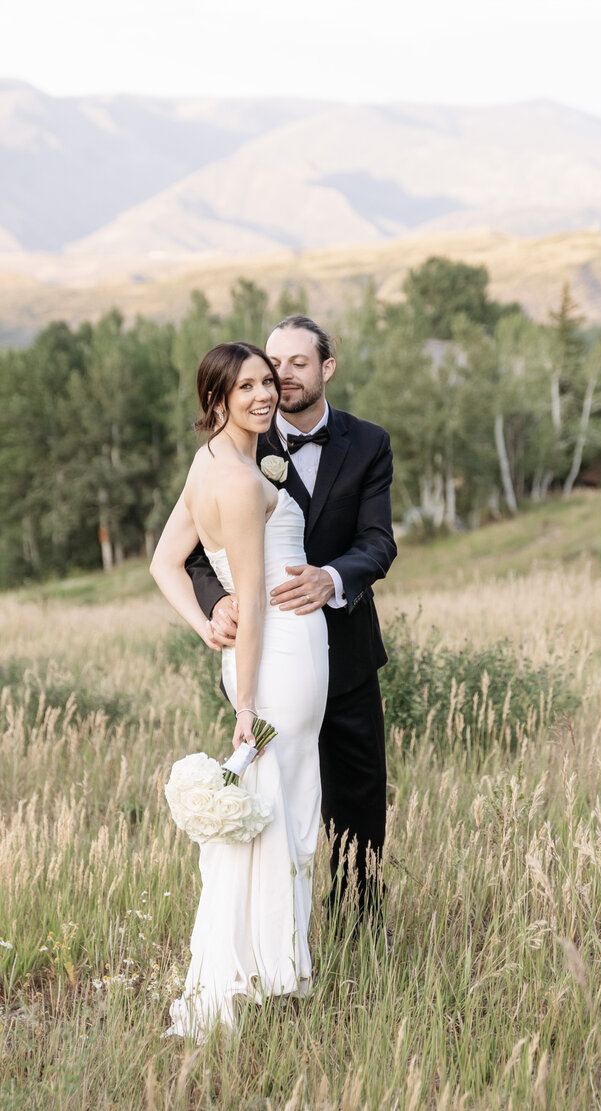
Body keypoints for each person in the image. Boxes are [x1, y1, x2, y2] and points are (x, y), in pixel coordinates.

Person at [187, 315, 396, 924]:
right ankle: (276, 927)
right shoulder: (240, 438)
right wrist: (216, 602)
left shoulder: (369, 442)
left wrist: (332, 578)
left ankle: (356, 928)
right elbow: (195, 552)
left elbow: (378, 542)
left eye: (298, 364)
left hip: (346, 648)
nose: (281, 377)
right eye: (272, 365)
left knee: (358, 799)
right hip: (271, 651)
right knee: (273, 792)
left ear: (326, 368)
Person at [150, 341, 328, 1038]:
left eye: (267, 381)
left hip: (271, 653)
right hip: (276, 656)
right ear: (216, 398)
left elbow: (166, 562)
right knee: (278, 808)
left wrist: (202, 624)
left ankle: (269, 966)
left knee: (273, 808)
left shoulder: (212, 462)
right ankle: (265, 975)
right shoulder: (236, 480)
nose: (264, 394)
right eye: (246, 386)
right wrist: (246, 703)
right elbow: (251, 602)